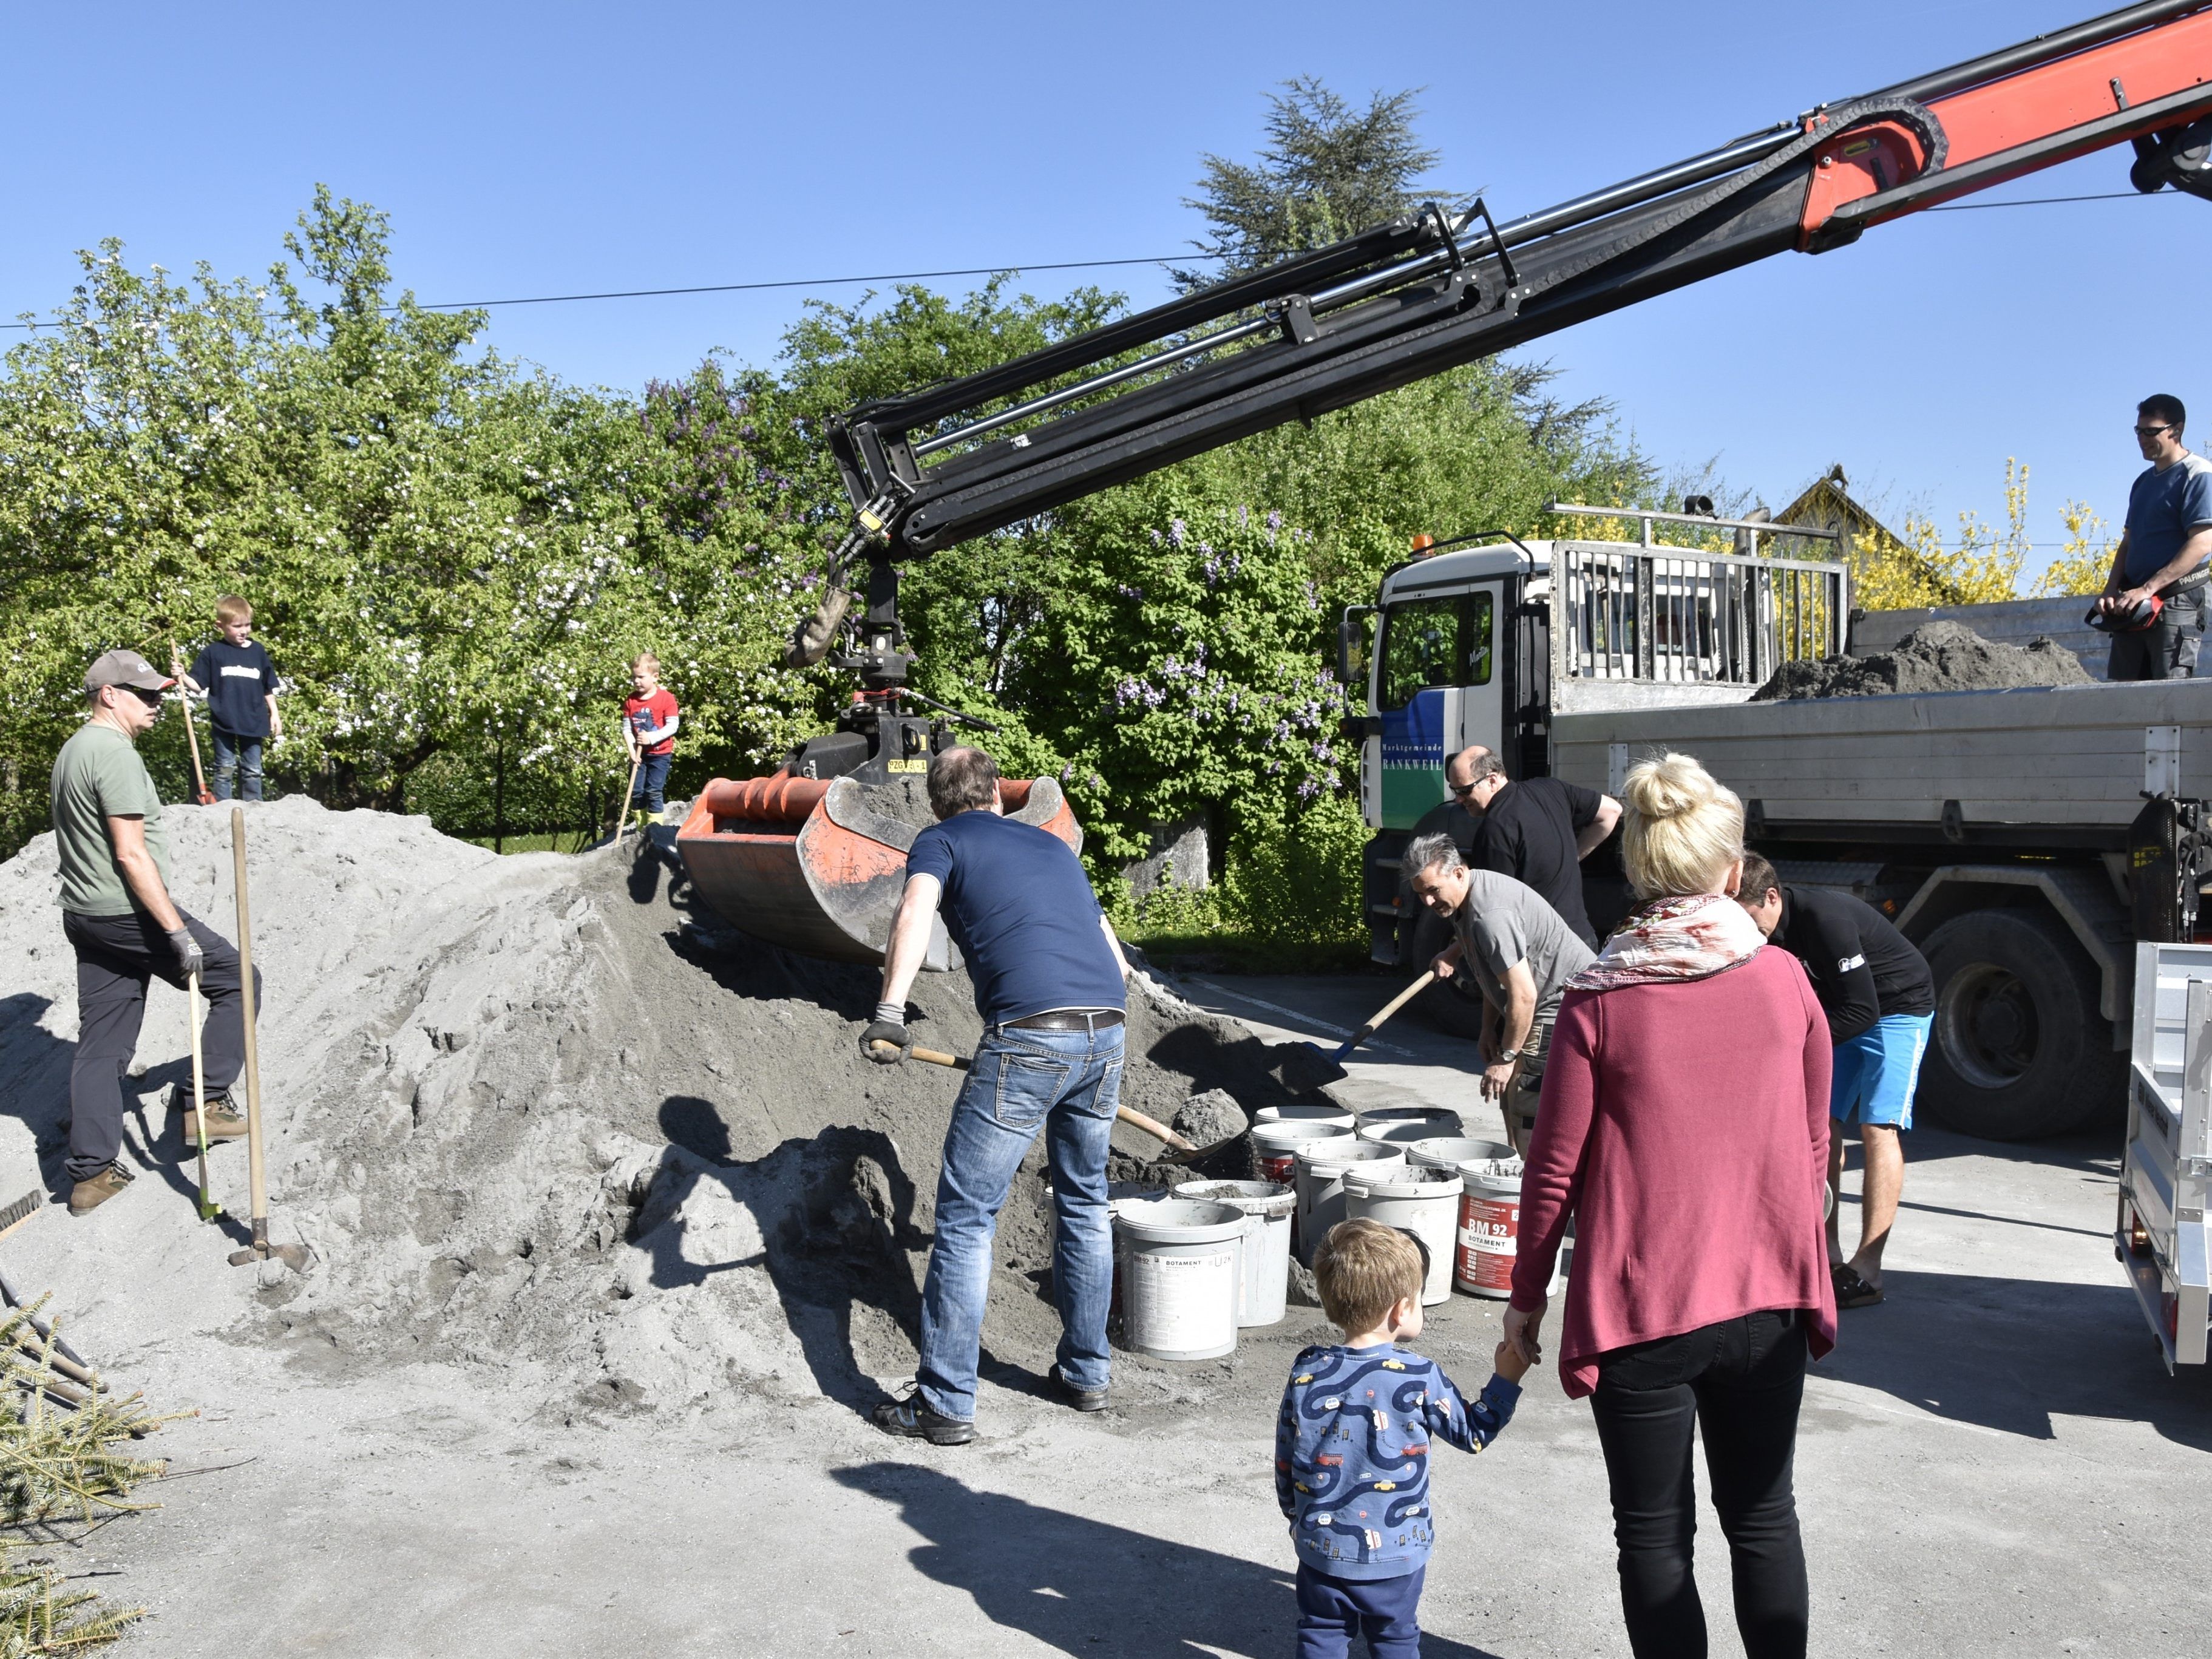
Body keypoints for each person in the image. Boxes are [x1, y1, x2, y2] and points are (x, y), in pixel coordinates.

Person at [1504, 752, 1834, 1659]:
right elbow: (1813, 1150)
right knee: (1765, 1516)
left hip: (1646, 1311)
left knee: (1653, 1537)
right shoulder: (1787, 983)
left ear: (1638, 870)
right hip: (1766, 1299)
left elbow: (1552, 1172)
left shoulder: (1599, 1000)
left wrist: (1525, 1305)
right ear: (1732, 871)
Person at [863, 746, 1133, 1444]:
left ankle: (944, 1403)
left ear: (936, 803)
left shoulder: (941, 840)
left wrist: (891, 1010)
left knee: (965, 1219)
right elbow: (1114, 953)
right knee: (1083, 1201)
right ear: (997, 796)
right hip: (1105, 1024)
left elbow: (913, 913)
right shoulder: (1052, 846)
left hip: (1029, 1031)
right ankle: (1085, 1373)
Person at [52, 651, 257, 1216]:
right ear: (108, 695)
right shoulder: (112, 755)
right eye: (145, 694)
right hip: (128, 912)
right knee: (239, 978)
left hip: (86, 915)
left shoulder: (73, 751)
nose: (158, 704)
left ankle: (92, 1175)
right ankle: (206, 1102)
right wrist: (176, 931)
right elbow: (130, 852)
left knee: (102, 1044)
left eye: (161, 694)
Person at [1277, 1218, 1525, 1659]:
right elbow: (1473, 1433)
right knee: (1395, 1637)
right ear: (1400, 1310)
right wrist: (1505, 1380)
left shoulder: (1307, 1370)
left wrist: (1297, 1516)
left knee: (1321, 1634)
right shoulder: (1418, 1375)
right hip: (1397, 1549)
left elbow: (1286, 1452)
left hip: (1320, 1547)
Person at [1734, 855, 1932, 1311]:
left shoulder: (1824, 918)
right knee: (1820, 1122)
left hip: (1898, 1006)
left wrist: (1792, 1048)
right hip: (1844, 1007)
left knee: (1878, 1127)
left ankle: (1868, 1269)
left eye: (1746, 916)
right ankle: (1826, 1254)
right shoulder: (1765, 930)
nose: (1743, 928)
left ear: (1771, 897)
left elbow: (1864, 1011)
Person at [1402, 832, 1595, 1154]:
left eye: (1433, 891)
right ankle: (1515, 1172)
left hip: (1566, 1003)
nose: (1428, 902)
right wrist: (1487, 1028)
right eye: (1421, 894)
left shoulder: (1489, 916)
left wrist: (1506, 1058)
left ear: (1459, 873)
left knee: (1526, 1098)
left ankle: (1530, 1184)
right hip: (1539, 997)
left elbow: (1523, 996)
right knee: (1509, 1093)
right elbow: (1492, 974)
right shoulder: (1467, 896)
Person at [1445, 745, 1621, 949]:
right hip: (1583, 942)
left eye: (1465, 790)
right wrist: (1573, 857)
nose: (1458, 800)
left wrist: (1454, 951)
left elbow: (1494, 914)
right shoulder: (1551, 789)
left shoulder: (1494, 831)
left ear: (1492, 780)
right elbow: (1612, 811)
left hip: (1544, 957)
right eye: (1454, 791)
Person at [2097, 393, 2212, 680]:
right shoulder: (2143, 482)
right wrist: (2111, 589)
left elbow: (2203, 541)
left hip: (2176, 601)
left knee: (2168, 698)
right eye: (2139, 431)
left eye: (2152, 431)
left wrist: (2148, 589)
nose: (2143, 438)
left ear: (2177, 429)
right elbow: (2129, 543)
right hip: (2134, 602)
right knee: (2125, 699)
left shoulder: (2199, 475)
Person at [180, 594, 282, 801]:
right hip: (224, 721)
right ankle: (223, 809)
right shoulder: (213, 652)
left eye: (248, 625)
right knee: (225, 768)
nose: (244, 631)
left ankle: (254, 808)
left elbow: (268, 687)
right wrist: (181, 675)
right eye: (237, 626)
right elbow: (198, 685)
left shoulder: (258, 652)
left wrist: (275, 714)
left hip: (254, 720)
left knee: (253, 770)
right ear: (221, 625)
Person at [622, 653, 680, 825]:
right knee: (637, 791)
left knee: (653, 791)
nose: (636, 681)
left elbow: (672, 726)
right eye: (633, 677)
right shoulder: (631, 701)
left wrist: (651, 737)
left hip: (660, 754)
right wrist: (632, 752)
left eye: (641, 677)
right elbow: (627, 729)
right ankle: (641, 828)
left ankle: (655, 828)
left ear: (655, 677)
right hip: (638, 756)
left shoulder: (666, 698)